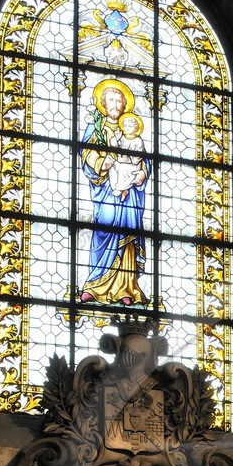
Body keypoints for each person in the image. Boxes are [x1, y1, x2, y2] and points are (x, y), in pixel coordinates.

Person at [79, 79, 151, 307]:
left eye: (120, 99)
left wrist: (142, 173)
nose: (117, 103)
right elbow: (86, 154)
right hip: (105, 190)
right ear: (102, 102)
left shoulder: (129, 129)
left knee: (127, 234)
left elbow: (143, 159)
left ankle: (126, 287)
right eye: (112, 99)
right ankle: (95, 285)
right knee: (105, 228)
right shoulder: (96, 127)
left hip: (129, 192)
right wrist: (102, 162)